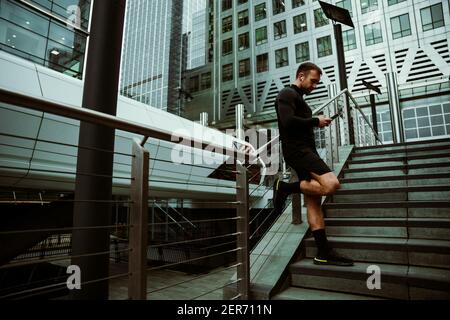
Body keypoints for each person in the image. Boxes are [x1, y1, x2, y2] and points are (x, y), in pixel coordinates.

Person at [273, 62, 353, 266]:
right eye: (313, 81)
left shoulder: (299, 99)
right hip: (298, 151)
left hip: (306, 150)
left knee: (313, 203)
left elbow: (298, 123)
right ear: (301, 76)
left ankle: (323, 252)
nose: (314, 86)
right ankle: (284, 187)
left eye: (317, 83)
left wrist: (316, 122)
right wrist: (315, 121)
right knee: (331, 184)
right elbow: (288, 122)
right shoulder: (287, 93)